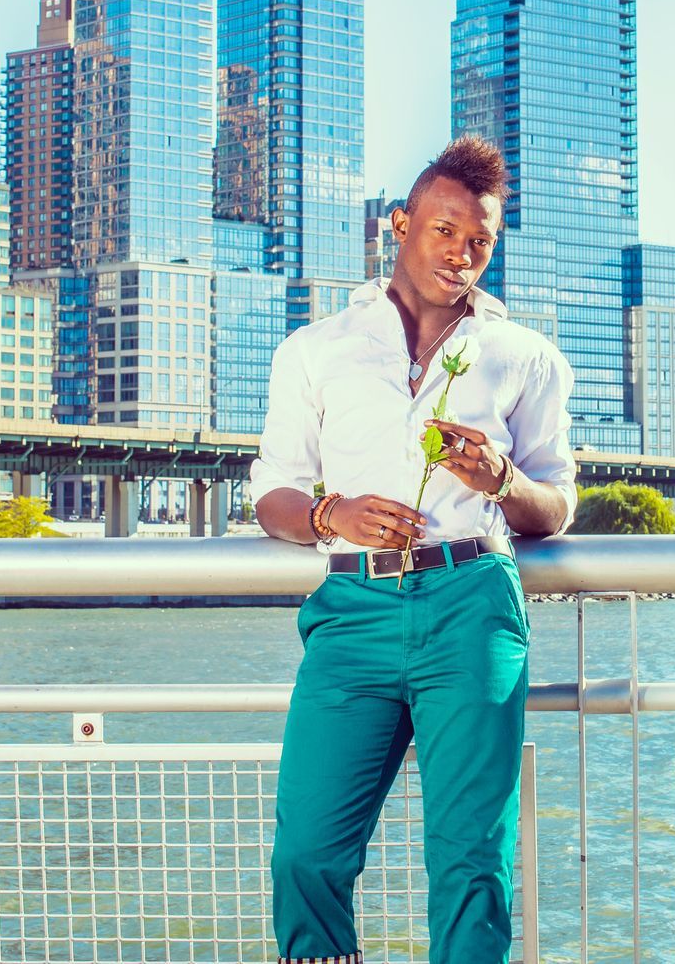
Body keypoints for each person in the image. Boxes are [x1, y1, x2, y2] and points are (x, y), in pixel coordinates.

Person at [250, 135, 577, 964]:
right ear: (400, 226)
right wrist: (333, 515)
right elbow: (272, 492)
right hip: (351, 613)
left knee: (471, 863)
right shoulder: (315, 349)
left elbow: (556, 507)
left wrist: (501, 478)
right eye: (444, 232)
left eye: (480, 241)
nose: (463, 254)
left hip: (472, 605)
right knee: (308, 853)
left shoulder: (526, 357)